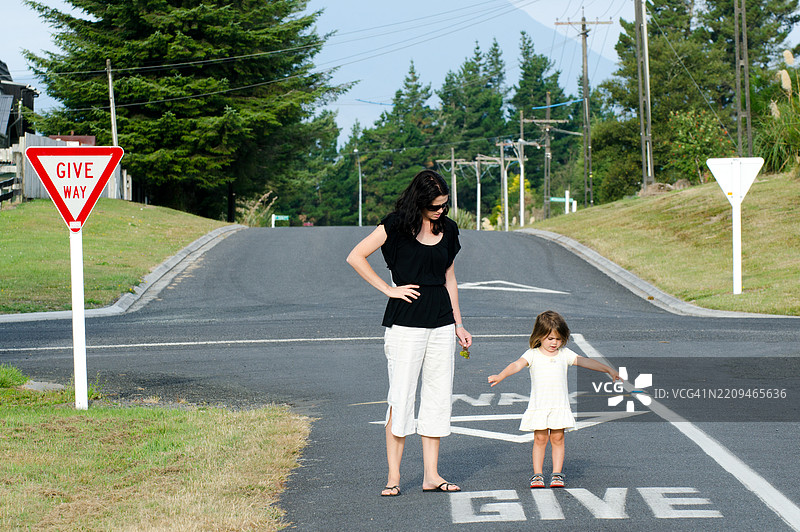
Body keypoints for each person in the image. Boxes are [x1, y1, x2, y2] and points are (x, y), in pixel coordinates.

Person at [346, 169, 472, 497]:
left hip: (442, 324)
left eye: (444, 205)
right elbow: (355, 256)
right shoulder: (396, 226)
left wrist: (459, 324)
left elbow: (450, 278)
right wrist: (389, 290)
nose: (440, 211)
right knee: (401, 399)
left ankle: (431, 475)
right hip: (405, 326)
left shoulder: (449, 229)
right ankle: (393, 477)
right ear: (419, 202)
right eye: (434, 206)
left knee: (437, 398)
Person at [488, 310, 620, 489]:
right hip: (540, 406)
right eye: (550, 338)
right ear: (540, 336)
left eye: (558, 339)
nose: (554, 343)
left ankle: (557, 474)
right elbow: (516, 365)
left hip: (559, 406)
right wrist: (500, 375)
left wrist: (608, 369)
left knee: (558, 438)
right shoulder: (532, 354)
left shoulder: (564, 354)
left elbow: (584, 361)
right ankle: (538, 475)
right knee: (540, 439)